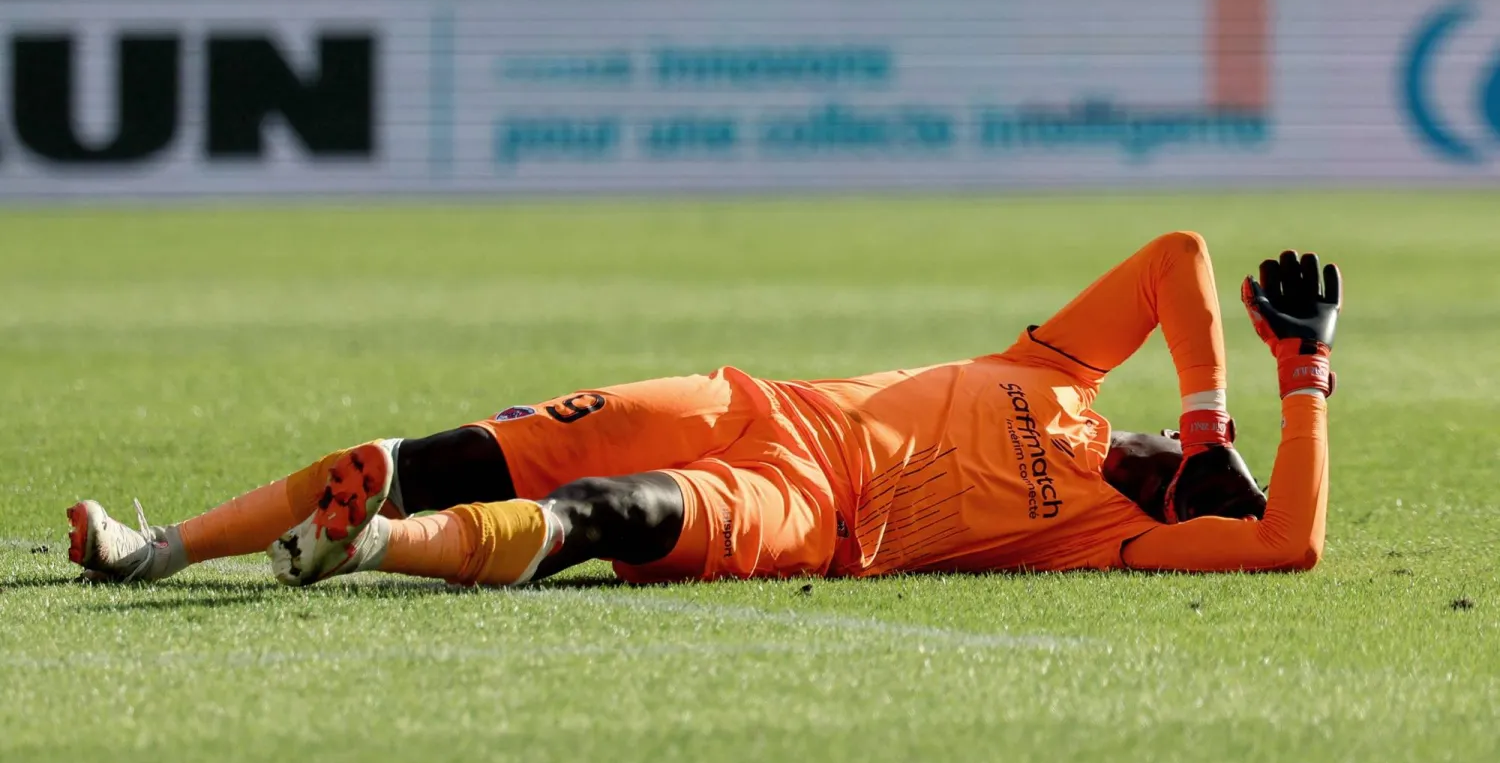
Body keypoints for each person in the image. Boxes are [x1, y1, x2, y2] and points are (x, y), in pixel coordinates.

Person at [67, 235, 1339, 589]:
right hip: (746, 403)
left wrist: (1306, 387)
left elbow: (1289, 541)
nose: (1170, 463)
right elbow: (1179, 255)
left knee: (601, 516)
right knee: (435, 452)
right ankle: (153, 548)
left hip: (810, 511)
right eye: (1183, 456)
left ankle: (369, 546)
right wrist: (1226, 414)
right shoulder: (1063, 369)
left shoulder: (1098, 530)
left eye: (1183, 478)